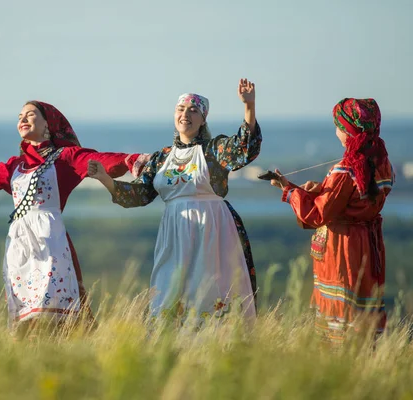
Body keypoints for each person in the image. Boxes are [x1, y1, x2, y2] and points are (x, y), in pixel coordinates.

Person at [0, 101, 148, 326]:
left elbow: (103, 159)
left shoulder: (66, 158)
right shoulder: (15, 166)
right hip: (19, 244)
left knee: (52, 308)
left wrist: (140, 160)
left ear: (48, 124)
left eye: (30, 115)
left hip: (51, 240)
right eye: (19, 116)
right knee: (26, 313)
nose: (22, 119)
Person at [88, 79, 261, 326]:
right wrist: (105, 179)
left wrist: (249, 106)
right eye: (181, 109)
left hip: (212, 230)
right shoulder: (162, 158)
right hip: (174, 233)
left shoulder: (213, 150)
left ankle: (216, 348)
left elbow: (244, 148)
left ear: (203, 120)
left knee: (211, 288)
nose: (186, 114)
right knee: (168, 290)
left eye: (193, 110)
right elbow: (139, 194)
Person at [270, 98, 394, 345]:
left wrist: (290, 192)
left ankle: (340, 361)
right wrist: (320, 188)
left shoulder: (346, 169)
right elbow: (353, 201)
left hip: (343, 248)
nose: (336, 130)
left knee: (340, 311)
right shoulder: (381, 163)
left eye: (338, 125)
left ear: (348, 130)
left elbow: (317, 214)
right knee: (361, 307)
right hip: (368, 246)